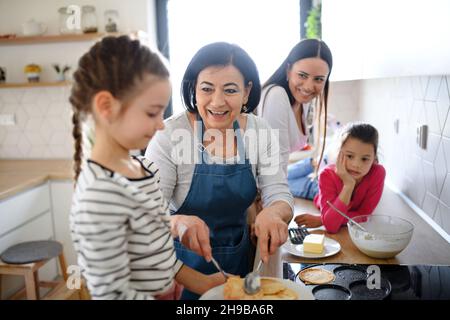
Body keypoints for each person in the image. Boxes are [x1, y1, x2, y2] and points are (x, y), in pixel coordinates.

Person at [69, 36, 224, 300]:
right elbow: (114, 295)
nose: (161, 125)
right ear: (106, 107)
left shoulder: (144, 169)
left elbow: (160, 257)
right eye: (152, 113)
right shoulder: (99, 195)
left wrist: (208, 284)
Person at [145, 42, 294, 299]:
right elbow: (146, 219)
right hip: (179, 271)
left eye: (230, 90)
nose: (217, 101)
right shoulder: (169, 136)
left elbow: (279, 193)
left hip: (239, 263)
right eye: (207, 89)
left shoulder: (260, 132)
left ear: (247, 92)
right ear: (194, 88)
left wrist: (274, 213)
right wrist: (177, 222)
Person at [256, 38, 333, 198]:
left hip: (268, 183)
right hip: (257, 190)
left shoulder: (302, 102)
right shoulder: (276, 95)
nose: (308, 86)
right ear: (288, 70)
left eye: (318, 79)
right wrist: (277, 204)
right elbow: (274, 162)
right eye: (302, 75)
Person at [294, 123, 386, 234]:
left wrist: (322, 219)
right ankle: (312, 163)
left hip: (323, 188)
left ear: (374, 158)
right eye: (350, 156)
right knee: (284, 180)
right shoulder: (326, 175)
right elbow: (334, 224)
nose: (356, 164)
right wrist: (348, 185)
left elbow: (363, 215)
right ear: (339, 153)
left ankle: (314, 164)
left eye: (365, 159)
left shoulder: (378, 173)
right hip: (317, 188)